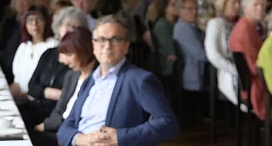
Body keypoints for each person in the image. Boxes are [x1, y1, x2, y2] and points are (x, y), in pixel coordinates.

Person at [57, 14, 180, 146]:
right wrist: (80, 139)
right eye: (101, 39)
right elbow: (66, 126)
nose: (107, 46)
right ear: (93, 45)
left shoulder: (139, 80)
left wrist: (120, 138)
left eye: (115, 39)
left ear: (126, 46)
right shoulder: (90, 81)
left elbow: (168, 123)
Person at [21, 7, 87, 128]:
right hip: (36, 107)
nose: (69, 31)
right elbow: (32, 86)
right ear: (59, 28)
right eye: (66, 25)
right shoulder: (49, 53)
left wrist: (45, 92)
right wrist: (57, 93)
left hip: (55, 114)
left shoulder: (79, 61)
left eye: (74, 27)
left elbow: (70, 98)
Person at [30, 27, 97, 146]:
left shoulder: (98, 78)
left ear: (84, 51)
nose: (65, 61)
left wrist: (48, 126)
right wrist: (46, 125)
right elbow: (60, 108)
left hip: (75, 132)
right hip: (60, 127)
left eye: (69, 55)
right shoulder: (72, 75)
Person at [228, 0, 269, 121]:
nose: (260, 8)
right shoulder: (244, 30)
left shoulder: (256, 25)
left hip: (260, 78)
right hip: (255, 85)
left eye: (263, 4)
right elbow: (254, 67)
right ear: (245, 8)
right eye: (255, 5)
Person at [11, 6, 58, 99]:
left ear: (46, 22)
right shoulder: (24, 46)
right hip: (20, 96)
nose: (34, 24)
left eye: (39, 19)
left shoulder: (53, 45)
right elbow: (18, 80)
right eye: (30, 20)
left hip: (39, 99)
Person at [205, 0, 241, 106]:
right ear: (224, 4)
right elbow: (213, 55)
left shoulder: (241, 22)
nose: (237, 6)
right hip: (228, 70)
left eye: (238, 2)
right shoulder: (216, 24)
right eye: (233, 2)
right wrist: (235, 69)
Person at [173, 0, 208, 93]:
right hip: (193, 79)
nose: (195, 12)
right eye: (190, 9)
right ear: (180, 10)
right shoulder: (183, 28)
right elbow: (201, 55)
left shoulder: (190, 26)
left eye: (196, 8)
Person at [151, 0, 179, 90]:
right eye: (173, 5)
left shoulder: (175, 22)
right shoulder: (163, 25)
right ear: (164, 7)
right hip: (169, 68)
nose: (177, 7)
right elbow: (171, 52)